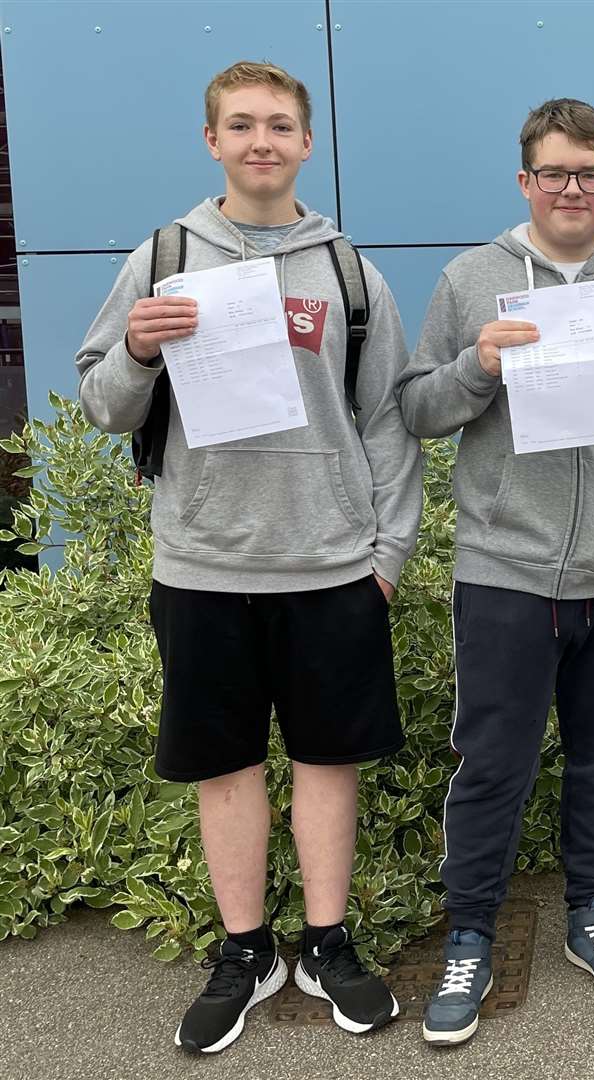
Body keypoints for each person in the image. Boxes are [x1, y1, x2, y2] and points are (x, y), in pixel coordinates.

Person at [74, 60, 424, 1052]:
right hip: (203, 568)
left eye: (280, 125)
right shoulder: (164, 256)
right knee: (223, 768)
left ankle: (324, 940)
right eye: (242, 125)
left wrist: (386, 555)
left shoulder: (351, 273)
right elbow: (105, 404)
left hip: (329, 567)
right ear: (212, 141)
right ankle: (245, 951)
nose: (261, 140)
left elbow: (390, 423)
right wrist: (138, 350)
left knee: (327, 762)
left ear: (307, 144)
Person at [397, 98, 594, 1045]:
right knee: (492, 763)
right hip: (506, 571)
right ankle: (472, 933)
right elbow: (415, 410)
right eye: (555, 173)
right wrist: (477, 367)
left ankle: (589, 912)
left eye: (591, 173)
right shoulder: (470, 280)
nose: (573, 189)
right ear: (525, 181)